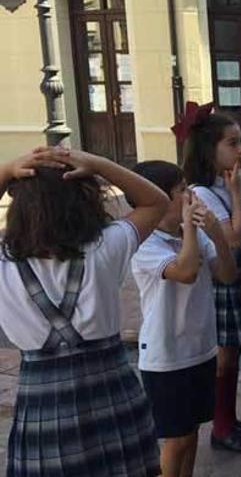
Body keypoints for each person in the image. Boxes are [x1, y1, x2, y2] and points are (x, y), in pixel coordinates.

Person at [0, 146, 168, 476]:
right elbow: (156, 202)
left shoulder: (5, 265)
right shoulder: (106, 245)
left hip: (43, 409)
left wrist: (7, 171)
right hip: (115, 398)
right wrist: (100, 164)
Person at [130, 161, 237, 477]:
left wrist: (216, 234)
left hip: (200, 349)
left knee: (191, 435)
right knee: (175, 440)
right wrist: (193, 228)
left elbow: (227, 274)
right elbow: (186, 272)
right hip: (166, 357)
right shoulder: (145, 243)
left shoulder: (192, 234)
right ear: (159, 199)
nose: (190, 196)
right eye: (181, 190)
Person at [182, 112, 241, 452]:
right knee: (225, 355)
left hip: (239, 271)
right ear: (208, 149)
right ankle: (222, 425)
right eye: (232, 143)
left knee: (233, 350)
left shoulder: (221, 185)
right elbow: (233, 236)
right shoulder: (201, 191)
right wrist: (238, 192)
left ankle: (228, 419)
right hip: (222, 275)